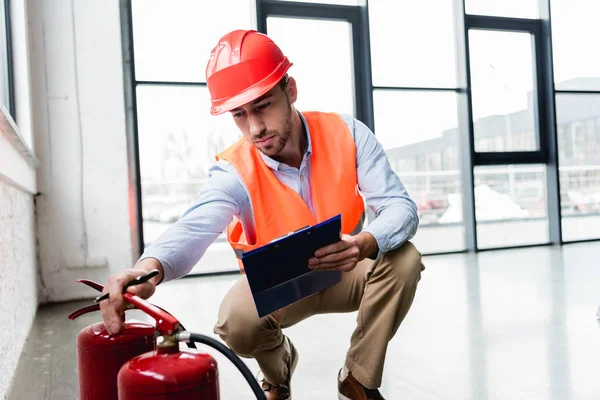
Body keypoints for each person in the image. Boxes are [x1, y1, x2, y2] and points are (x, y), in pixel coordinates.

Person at [100, 30, 425, 400]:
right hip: (281, 287)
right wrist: (147, 269)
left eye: (263, 105)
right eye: (240, 114)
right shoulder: (234, 171)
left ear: (291, 91)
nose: (255, 128)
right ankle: (278, 371)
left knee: (405, 259)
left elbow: (400, 207)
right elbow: (193, 228)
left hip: (346, 268)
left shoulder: (348, 134)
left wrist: (364, 242)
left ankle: (357, 380)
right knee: (235, 322)